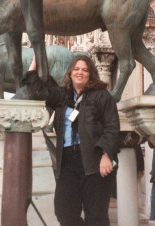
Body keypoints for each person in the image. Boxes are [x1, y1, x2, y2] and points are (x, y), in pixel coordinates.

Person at [18, 55, 120, 226]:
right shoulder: (62, 95)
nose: (80, 72)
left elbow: (112, 126)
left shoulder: (102, 96)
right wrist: (33, 68)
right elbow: (39, 92)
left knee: (96, 216)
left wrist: (107, 154)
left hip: (95, 160)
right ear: (70, 72)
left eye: (85, 70)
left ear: (91, 74)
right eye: (77, 69)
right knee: (64, 212)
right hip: (67, 162)